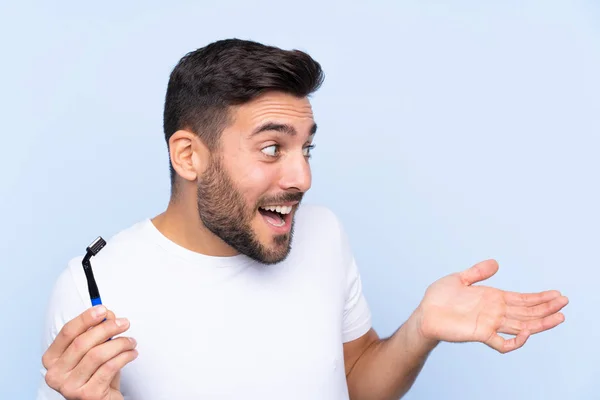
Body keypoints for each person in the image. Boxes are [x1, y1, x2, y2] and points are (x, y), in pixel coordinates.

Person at [37, 38, 568, 400]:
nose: (302, 179)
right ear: (188, 156)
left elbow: (356, 382)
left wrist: (419, 331)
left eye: (306, 150)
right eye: (272, 148)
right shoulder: (94, 290)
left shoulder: (324, 234)